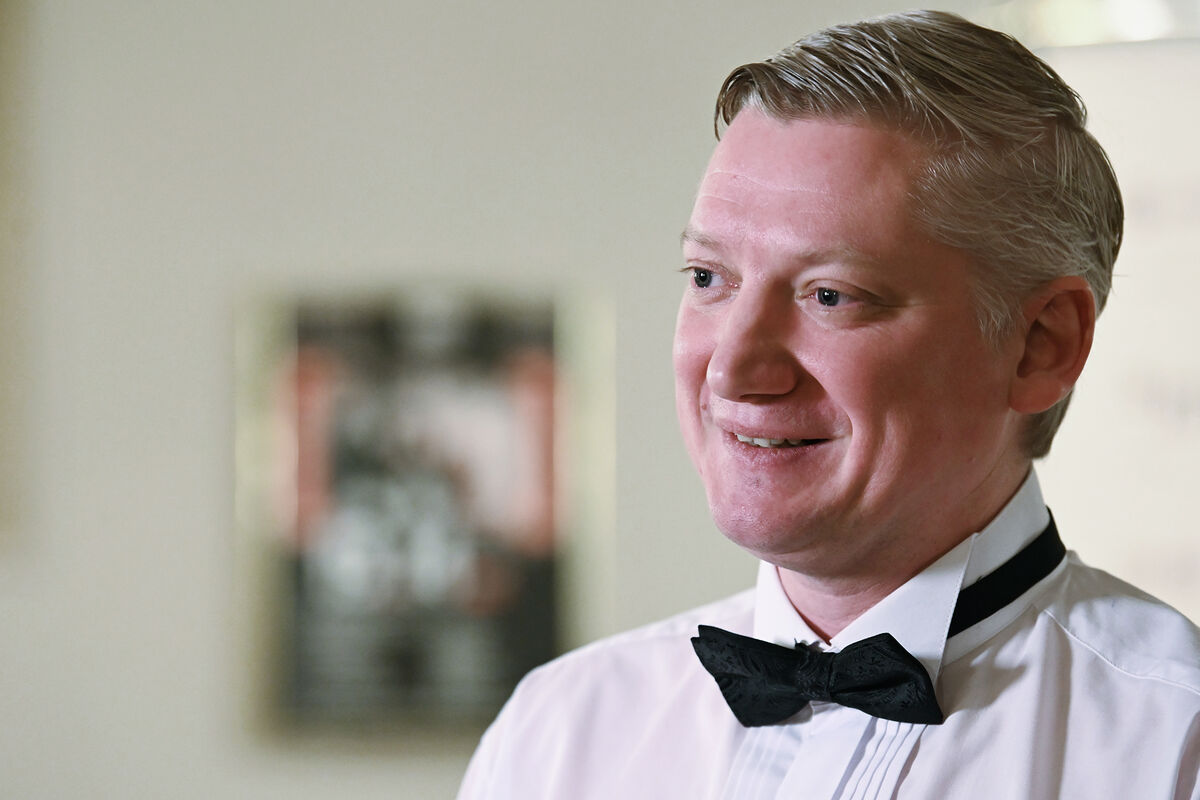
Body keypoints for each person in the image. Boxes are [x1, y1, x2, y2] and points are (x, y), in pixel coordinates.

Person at [457, 10, 1200, 799]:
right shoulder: (556, 735)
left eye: (831, 295)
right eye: (708, 278)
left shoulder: (1176, 747)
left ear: (1041, 345)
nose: (732, 369)